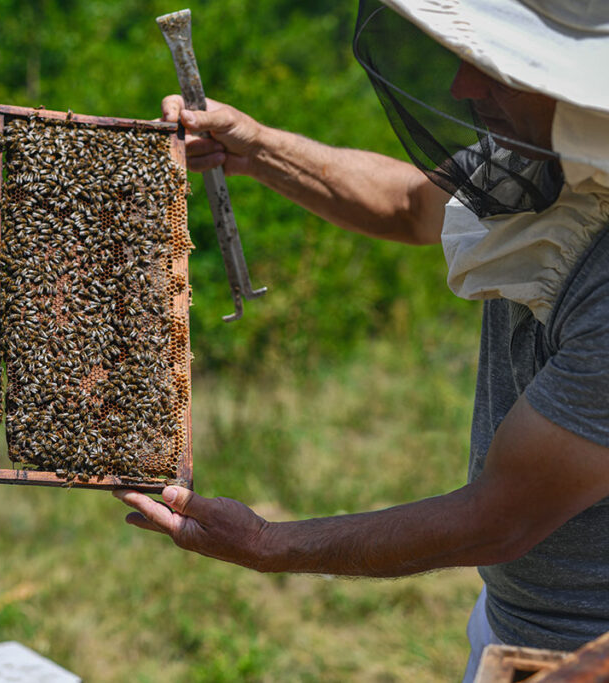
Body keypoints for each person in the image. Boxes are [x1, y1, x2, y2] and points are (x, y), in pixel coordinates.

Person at [113, 0, 609, 679]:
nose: (465, 86)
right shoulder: (546, 152)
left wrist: (268, 544)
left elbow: (499, 518)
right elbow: (409, 204)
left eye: (500, 69)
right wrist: (256, 147)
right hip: (512, 622)